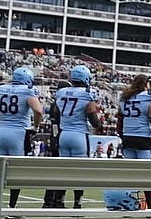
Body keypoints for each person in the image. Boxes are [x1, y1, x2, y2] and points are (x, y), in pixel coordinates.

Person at [0, 66, 44, 211]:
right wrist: (35, 128)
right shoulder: (28, 91)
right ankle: (12, 207)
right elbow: (38, 110)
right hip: (19, 134)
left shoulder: (2, 89)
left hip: (2, 132)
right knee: (16, 172)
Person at [56, 65, 101, 209]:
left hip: (64, 135)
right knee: (80, 172)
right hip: (79, 135)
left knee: (63, 171)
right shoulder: (87, 94)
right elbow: (93, 120)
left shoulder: (61, 92)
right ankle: (77, 203)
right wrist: (99, 124)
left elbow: (56, 114)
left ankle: (60, 200)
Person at [117, 73, 151, 209]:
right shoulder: (149, 97)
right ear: (145, 84)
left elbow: (120, 119)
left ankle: (126, 203)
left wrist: (122, 136)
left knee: (130, 174)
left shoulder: (125, 97)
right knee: (147, 174)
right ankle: (150, 206)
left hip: (127, 138)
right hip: (143, 138)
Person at [42, 79, 72, 209]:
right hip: (61, 138)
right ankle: (57, 200)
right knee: (62, 173)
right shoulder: (61, 104)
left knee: (55, 172)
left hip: (55, 138)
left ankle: (50, 200)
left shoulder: (54, 104)